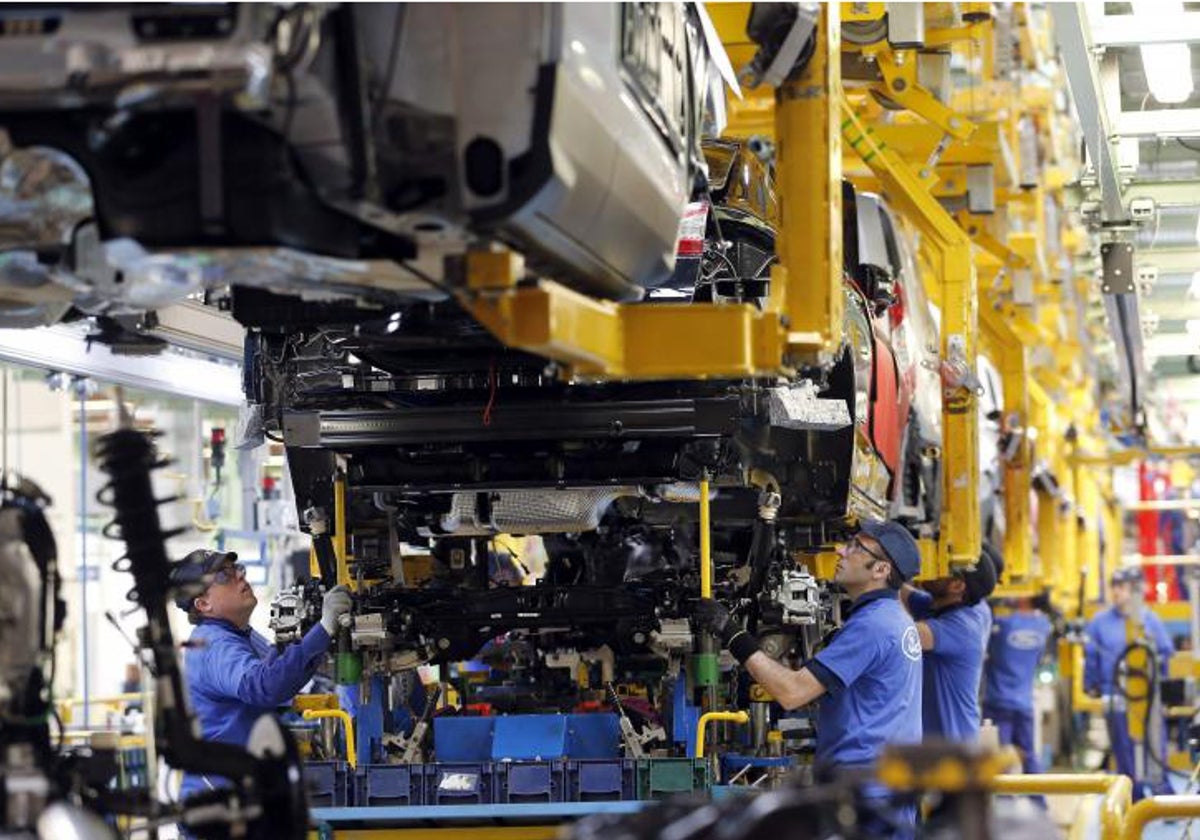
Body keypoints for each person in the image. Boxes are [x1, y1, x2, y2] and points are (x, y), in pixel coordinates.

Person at [694, 520, 923, 834]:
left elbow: (792, 692)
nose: (842, 550)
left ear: (881, 569)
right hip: (885, 790)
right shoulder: (895, 618)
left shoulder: (873, 626)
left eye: (857, 547)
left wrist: (731, 634)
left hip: (864, 798)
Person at [170, 548, 351, 800]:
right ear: (203, 604)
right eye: (223, 576)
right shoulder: (213, 644)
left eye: (237, 569)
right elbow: (264, 686)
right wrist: (324, 628)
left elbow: (280, 674)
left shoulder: (240, 634)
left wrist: (316, 632)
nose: (239, 577)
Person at [1084, 566, 1174, 800]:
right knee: (1123, 751)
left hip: (1147, 698)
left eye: (1121, 587)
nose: (1116, 592)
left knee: (1155, 746)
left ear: (1133, 590)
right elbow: (1091, 656)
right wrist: (1091, 685)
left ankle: (1162, 795)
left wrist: (1162, 690)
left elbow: (1165, 653)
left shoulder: (1148, 618)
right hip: (1115, 696)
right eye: (1114, 587)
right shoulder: (1099, 622)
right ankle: (1133, 797)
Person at [901, 543, 998, 742]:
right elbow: (899, 591)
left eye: (941, 566)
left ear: (956, 586)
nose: (932, 566)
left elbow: (901, 633)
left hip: (954, 752)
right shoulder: (935, 605)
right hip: (934, 746)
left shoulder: (963, 627)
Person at [982, 595, 1053, 774]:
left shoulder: (1001, 623)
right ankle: (1038, 800)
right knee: (1029, 755)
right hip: (1024, 702)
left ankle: (1003, 800)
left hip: (997, 701)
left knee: (1000, 758)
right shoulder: (1043, 625)